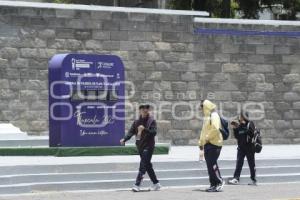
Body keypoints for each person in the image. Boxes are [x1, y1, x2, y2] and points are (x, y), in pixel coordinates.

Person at [120, 104, 161, 192]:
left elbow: (153, 132)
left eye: (147, 109)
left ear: (148, 111)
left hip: (149, 146)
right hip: (140, 146)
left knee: (143, 164)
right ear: (140, 111)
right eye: (143, 109)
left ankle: (137, 184)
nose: (145, 111)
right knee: (147, 165)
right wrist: (124, 139)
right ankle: (156, 183)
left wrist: (144, 129)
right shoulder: (136, 122)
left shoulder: (151, 121)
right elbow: (131, 132)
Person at [199, 100, 225, 192]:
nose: (201, 109)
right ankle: (213, 184)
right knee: (210, 165)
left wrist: (207, 138)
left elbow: (215, 128)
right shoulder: (206, 117)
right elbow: (203, 131)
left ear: (206, 106)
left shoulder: (214, 115)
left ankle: (220, 181)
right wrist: (201, 143)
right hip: (208, 144)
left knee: (212, 163)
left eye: (202, 107)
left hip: (215, 143)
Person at [228, 111, 257, 186]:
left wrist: (244, 125)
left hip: (249, 147)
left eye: (241, 116)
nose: (239, 118)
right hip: (241, 148)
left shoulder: (250, 123)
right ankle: (236, 179)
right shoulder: (239, 125)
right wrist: (235, 128)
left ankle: (253, 180)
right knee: (239, 163)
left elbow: (252, 133)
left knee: (251, 164)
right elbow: (237, 136)